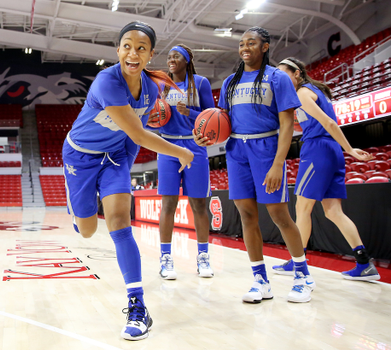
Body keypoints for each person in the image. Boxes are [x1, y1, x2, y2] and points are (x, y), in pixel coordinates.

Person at [62, 21, 193, 340]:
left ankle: (138, 307)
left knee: (120, 223)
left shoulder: (151, 89)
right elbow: (138, 132)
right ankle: (78, 209)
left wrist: (123, 167)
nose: (133, 53)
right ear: (118, 50)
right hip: (80, 155)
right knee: (89, 230)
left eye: (141, 48)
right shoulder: (106, 82)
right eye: (127, 46)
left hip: (116, 156)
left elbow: (133, 139)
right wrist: (182, 152)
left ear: (151, 54)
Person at [195, 27, 314, 303]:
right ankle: (260, 281)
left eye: (251, 43)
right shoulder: (230, 82)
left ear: (265, 47)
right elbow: (221, 121)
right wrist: (205, 137)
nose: (245, 47)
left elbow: (287, 125)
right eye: (241, 43)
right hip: (236, 151)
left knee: (279, 215)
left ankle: (302, 276)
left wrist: (277, 163)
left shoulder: (278, 79)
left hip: (266, 149)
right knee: (247, 216)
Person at [273, 57, 380, 281]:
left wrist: (350, 149)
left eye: (285, 75)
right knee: (333, 211)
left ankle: (297, 261)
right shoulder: (310, 93)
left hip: (318, 149)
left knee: (302, 207)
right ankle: (364, 263)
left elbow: (329, 124)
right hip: (331, 152)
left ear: (297, 74)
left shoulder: (303, 93)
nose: (281, 80)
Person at [151, 44, 215, 280]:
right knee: (168, 204)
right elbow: (151, 120)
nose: (171, 59)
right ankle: (166, 259)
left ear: (187, 60)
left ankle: (203, 257)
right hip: (167, 145)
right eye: (169, 56)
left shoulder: (200, 83)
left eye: (176, 56)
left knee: (199, 205)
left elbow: (213, 116)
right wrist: (153, 120)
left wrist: (190, 112)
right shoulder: (160, 85)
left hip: (194, 145)